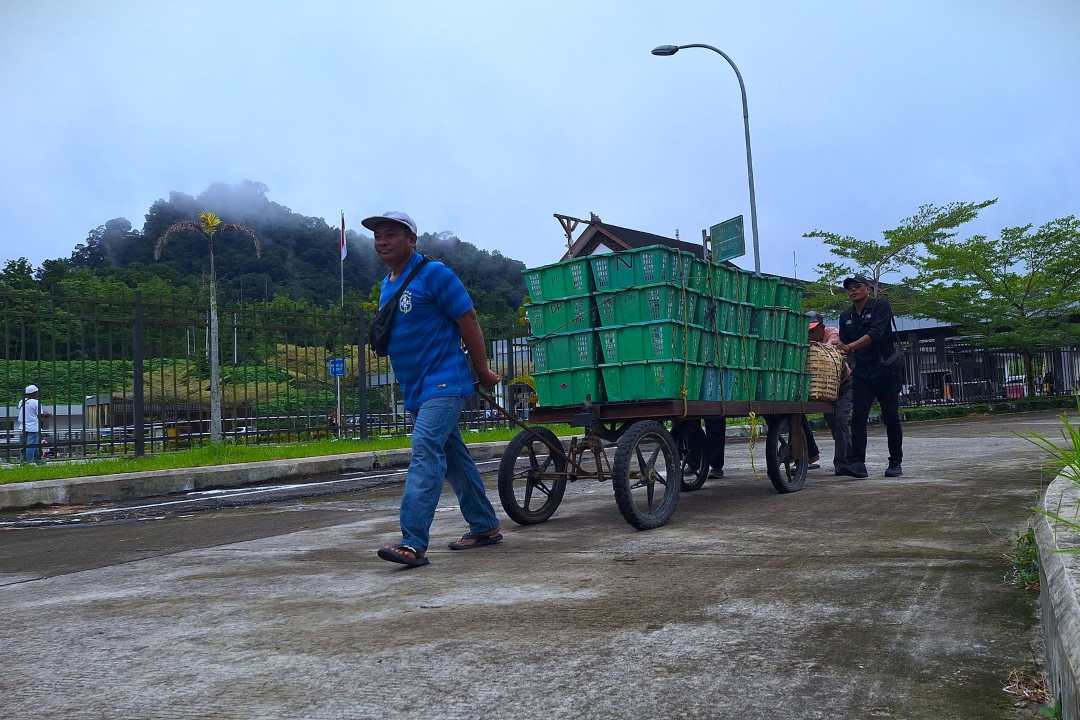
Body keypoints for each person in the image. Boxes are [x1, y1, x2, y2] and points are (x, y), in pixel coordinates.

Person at [365, 211, 503, 569]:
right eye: (378, 235)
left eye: (391, 234)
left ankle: (412, 543)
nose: (382, 240)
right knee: (454, 457)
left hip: (445, 381)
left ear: (412, 239)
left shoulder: (435, 274)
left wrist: (483, 369)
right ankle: (485, 525)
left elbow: (467, 318)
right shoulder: (387, 284)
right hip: (416, 387)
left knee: (425, 448)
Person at [838, 276, 904, 478]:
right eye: (849, 288)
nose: (853, 291)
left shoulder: (880, 306)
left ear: (868, 288)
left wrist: (850, 346)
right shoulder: (846, 315)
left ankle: (895, 462)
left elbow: (876, 333)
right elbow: (844, 343)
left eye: (857, 287)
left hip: (885, 370)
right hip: (863, 373)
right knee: (858, 418)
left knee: (890, 417)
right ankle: (858, 463)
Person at [807, 311, 854, 476]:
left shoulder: (831, 332)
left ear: (821, 326)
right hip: (824, 388)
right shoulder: (807, 340)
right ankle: (848, 457)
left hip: (843, 386)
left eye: (814, 330)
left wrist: (824, 346)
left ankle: (843, 463)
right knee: (834, 424)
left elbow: (833, 342)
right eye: (808, 331)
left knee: (841, 421)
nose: (811, 334)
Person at [14, 384, 49, 464]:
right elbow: (40, 415)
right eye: (37, 392)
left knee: (32, 444)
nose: (38, 393)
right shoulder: (36, 402)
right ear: (33, 393)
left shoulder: (22, 401)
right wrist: (46, 414)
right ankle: (27, 462)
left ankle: (38, 460)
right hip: (33, 427)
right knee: (31, 445)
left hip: (23, 426)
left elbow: (25, 410)